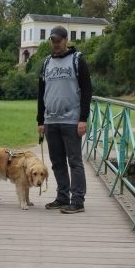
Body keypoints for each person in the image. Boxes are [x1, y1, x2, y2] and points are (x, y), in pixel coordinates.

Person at [37, 24, 92, 214]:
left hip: (71, 120)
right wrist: (40, 120)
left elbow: (87, 91)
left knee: (74, 162)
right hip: (51, 120)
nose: (56, 44)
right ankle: (62, 197)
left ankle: (77, 201)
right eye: (53, 41)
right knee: (57, 162)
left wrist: (83, 118)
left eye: (58, 41)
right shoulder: (46, 63)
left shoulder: (77, 60)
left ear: (66, 40)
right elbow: (41, 93)